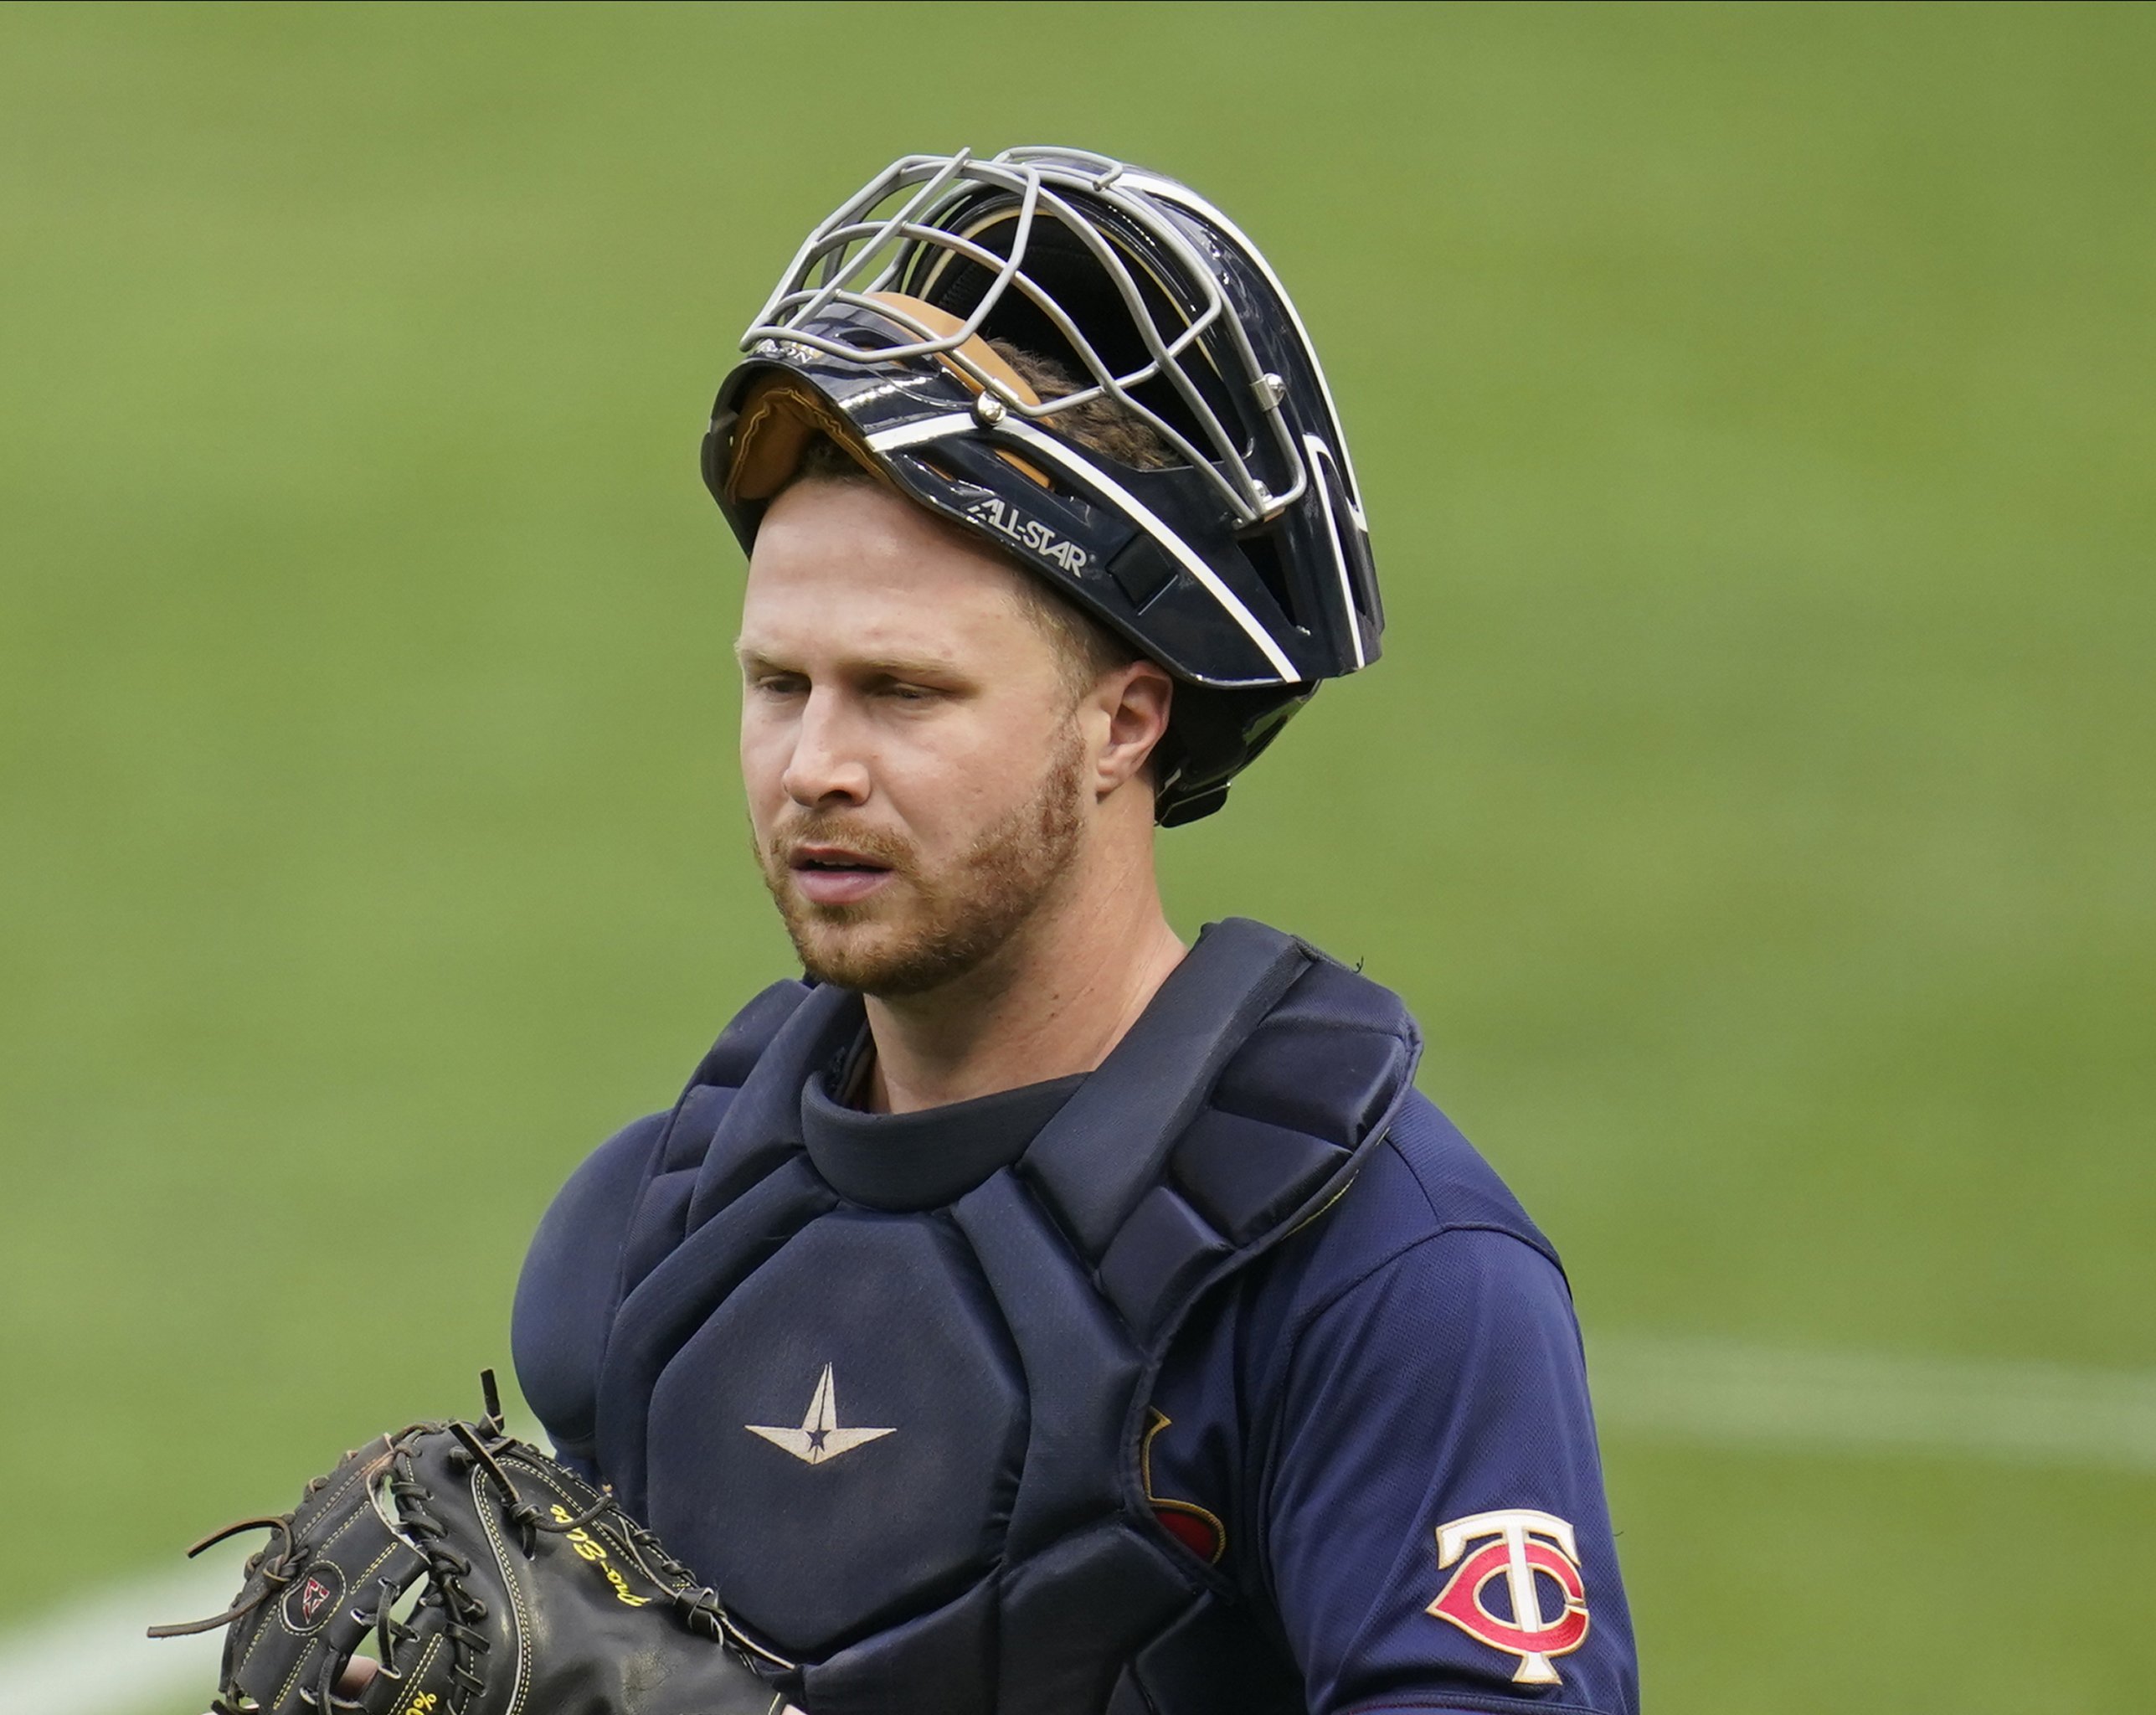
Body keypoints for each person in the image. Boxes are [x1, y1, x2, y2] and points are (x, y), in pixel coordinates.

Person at [512, 148, 1638, 1715]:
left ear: (1123, 721)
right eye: (780, 684)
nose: (815, 764)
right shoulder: (647, 1234)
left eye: (903, 691)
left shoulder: (1381, 1274)